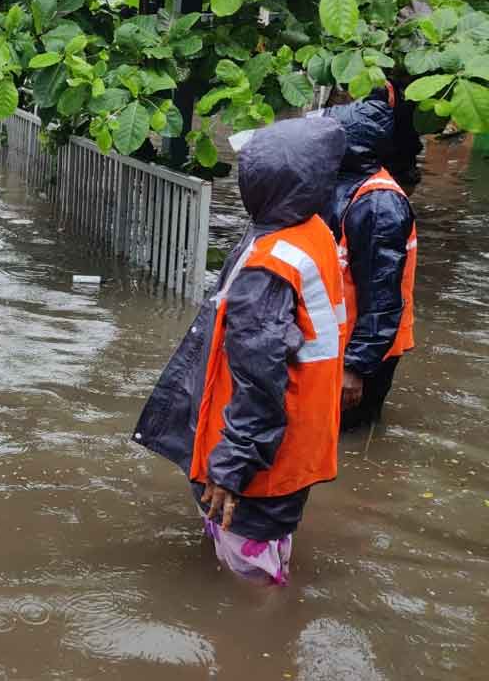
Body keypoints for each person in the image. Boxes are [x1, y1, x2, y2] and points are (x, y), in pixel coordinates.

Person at [132, 116, 348, 585]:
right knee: (270, 542)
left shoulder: (269, 267)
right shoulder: (313, 232)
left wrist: (230, 468)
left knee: (249, 575)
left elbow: (259, 383)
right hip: (299, 442)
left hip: (263, 458)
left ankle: (258, 640)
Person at [320, 89, 418, 430]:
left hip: (364, 349)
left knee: (348, 432)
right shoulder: (349, 185)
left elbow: (382, 297)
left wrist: (356, 366)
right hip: (343, 339)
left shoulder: (379, 205)